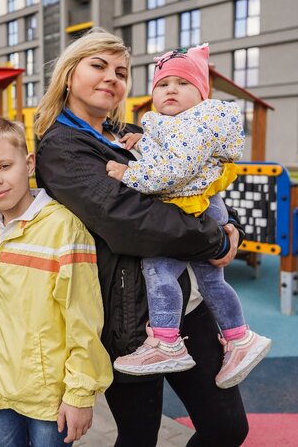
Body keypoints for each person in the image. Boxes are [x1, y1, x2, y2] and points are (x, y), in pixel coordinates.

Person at [34, 29, 249, 446]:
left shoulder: (135, 132)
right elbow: (129, 222)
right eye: (98, 66)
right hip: (127, 316)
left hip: (188, 306)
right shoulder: (62, 149)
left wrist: (232, 225)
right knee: (139, 437)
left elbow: (202, 178)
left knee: (227, 428)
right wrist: (215, 240)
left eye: (121, 72)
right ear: (69, 75)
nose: (111, 78)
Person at [104, 44, 271, 389]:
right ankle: (239, 336)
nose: (171, 90)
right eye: (163, 84)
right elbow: (171, 151)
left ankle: (167, 341)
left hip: (191, 207)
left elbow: (173, 170)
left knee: (158, 269)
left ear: (202, 94)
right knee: (212, 281)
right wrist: (142, 142)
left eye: (183, 84)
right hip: (202, 205)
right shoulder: (184, 125)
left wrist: (129, 173)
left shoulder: (195, 125)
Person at [0, 118, 113, 446]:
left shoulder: (63, 228)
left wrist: (80, 393)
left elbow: (84, 318)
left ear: (29, 164)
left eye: (5, 166)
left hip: (49, 396)